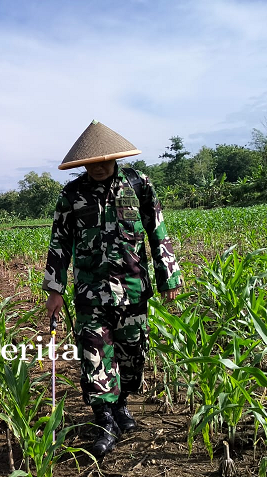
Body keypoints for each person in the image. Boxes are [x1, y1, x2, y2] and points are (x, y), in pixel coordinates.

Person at [42, 120, 182, 457]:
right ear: (83, 164)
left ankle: (121, 404)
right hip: (91, 292)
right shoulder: (72, 194)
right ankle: (103, 418)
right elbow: (60, 242)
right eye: (92, 162)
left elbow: (157, 230)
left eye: (105, 161)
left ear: (115, 158)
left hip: (132, 288)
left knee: (132, 356)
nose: (99, 167)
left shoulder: (138, 185)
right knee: (94, 354)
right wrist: (55, 289)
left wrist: (168, 276)